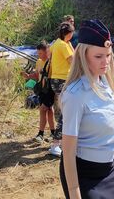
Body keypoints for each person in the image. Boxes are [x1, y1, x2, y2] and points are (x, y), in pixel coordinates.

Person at [59, 19, 114, 199]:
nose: (106, 62)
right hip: (85, 173)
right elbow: (68, 150)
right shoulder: (75, 95)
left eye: (108, 55)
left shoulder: (106, 84)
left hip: (109, 170)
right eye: (98, 56)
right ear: (83, 55)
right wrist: (74, 193)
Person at [48, 21, 75, 156]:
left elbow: (50, 54)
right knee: (67, 113)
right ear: (68, 34)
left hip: (58, 79)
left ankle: (62, 142)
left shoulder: (58, 43)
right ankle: (55, 144)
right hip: (62, 80)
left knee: (67, 112)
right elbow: (73, 61)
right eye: (72, 33)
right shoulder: (63, 45)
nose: (73, 35)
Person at [32, 41, 55, 143]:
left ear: (47, 52)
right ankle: (53, 133)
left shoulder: (52, 62)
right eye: (38, 53)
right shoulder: (38, 62)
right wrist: (28, 76)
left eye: (40, 53)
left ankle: (41, 134)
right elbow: (37, 76)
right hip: (42, 90)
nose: (39, 55)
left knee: (43, 109)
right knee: (49, 110)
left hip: (49, 90)